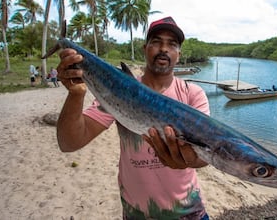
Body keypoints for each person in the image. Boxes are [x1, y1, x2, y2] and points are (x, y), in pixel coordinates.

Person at [56, 16, 210, 219]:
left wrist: (188, 161)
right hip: (136, 214)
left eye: (172, 44)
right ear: (145, 48)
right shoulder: (118, 89)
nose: (164, 48)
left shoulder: (193, 93)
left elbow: (207, 153)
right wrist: (76, 94)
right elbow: (69, 143)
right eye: (156, 41)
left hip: (189, 212)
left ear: (179, 54)